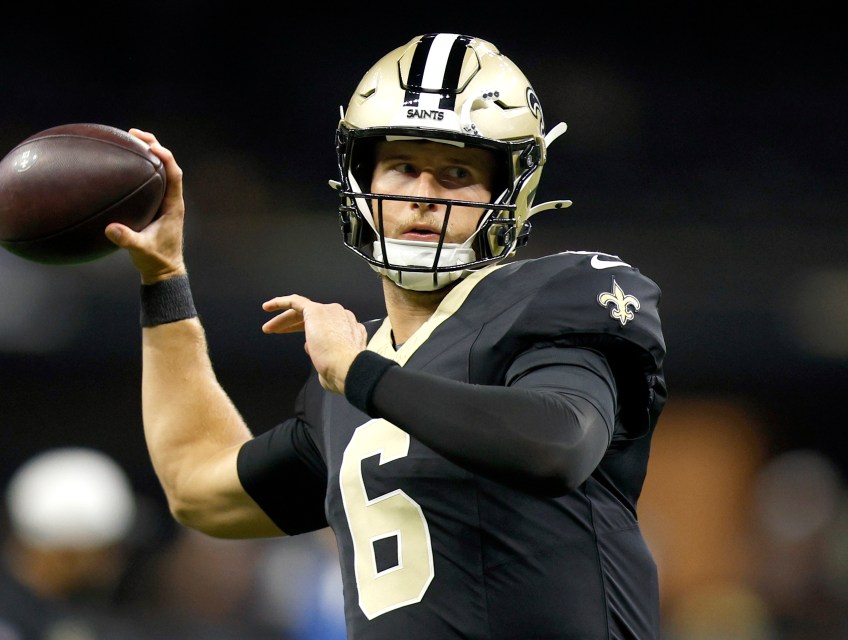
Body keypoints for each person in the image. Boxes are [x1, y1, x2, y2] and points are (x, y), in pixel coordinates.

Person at [105, 33, 667, 639]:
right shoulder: (344, 380)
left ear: (510, 192)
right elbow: (197, 487)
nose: (422, 198)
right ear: (360, 180)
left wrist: (362, 376)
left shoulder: (556, 297)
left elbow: (560, 444)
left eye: (456, 174)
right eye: (402, 168)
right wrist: (164, 280)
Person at [0, 447, 145, 640]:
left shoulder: (76, 610)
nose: (120, 558)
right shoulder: (2, 623)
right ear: (65, 552)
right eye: (107, 548)